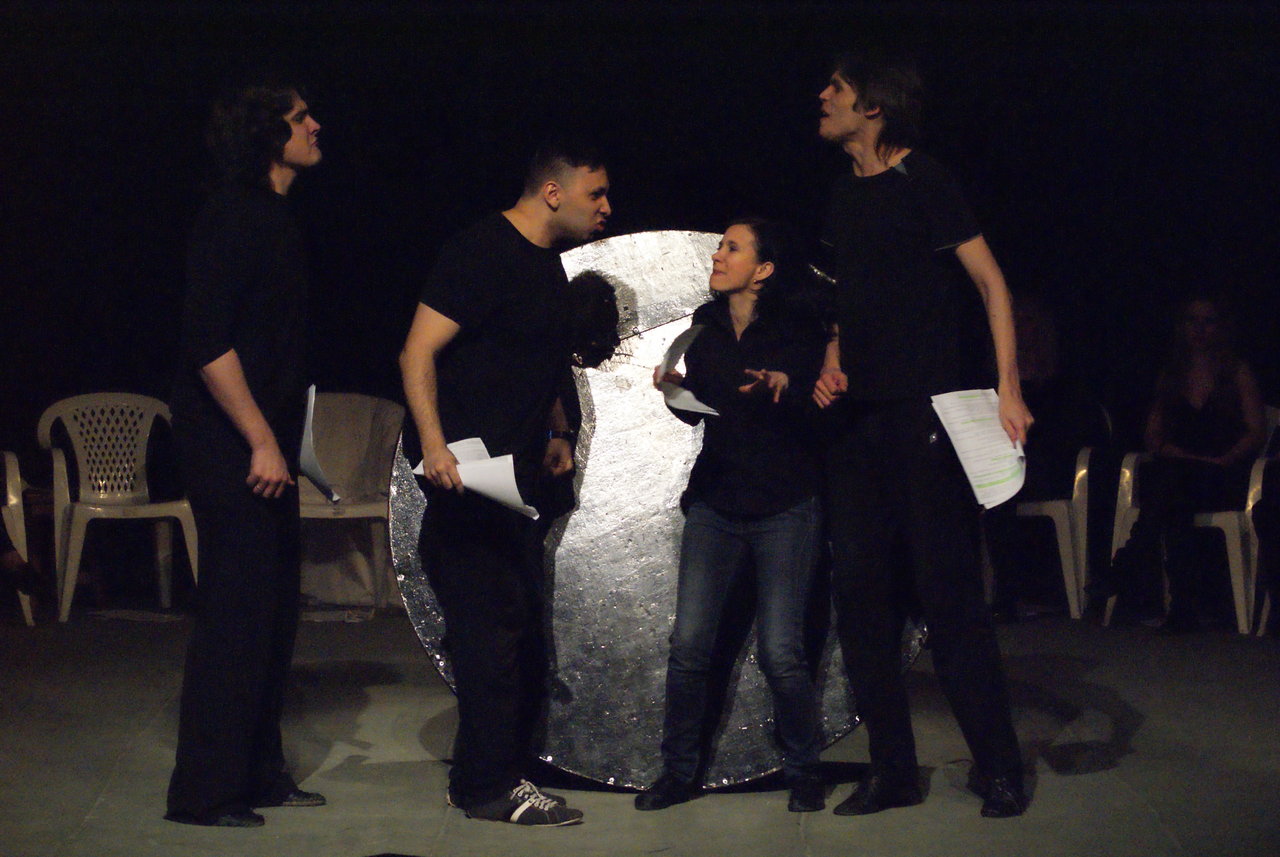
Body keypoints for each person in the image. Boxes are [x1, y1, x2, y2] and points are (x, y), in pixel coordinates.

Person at [811, 49, 1033, 818]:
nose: (823, 96)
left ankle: (1000, 765)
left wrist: (1009, 386)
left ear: (873, 106)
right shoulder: (842, 194)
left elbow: (991, 282)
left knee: (948, 594)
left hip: (924, 416)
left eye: (837, 88)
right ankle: (893, 769)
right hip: (857, 424)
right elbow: (850, 302)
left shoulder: (924, 180)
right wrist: (833, 357)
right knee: (861, 596)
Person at [399, 141, 613, 827]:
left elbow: (538, 360)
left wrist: (557, 430)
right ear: (553, 192)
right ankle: (486, 787)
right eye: (595, 194)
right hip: (467, 476)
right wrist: (434, 445)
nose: (606, 207)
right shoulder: (479, 251)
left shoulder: (546, 264)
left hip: (514, 483)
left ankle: (498, 770)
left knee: (512, 628)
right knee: (489, 634)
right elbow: (417, 350)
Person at [165, 81, 325, 828]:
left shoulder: (274, 217)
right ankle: (204, 792)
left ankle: (259, 772)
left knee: (272, 612)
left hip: (267, 446)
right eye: (300, 118)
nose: (315, 125)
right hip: (231, 446)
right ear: (268, 134)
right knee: (234, 616)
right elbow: (207, 342)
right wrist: (260, 439)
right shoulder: (232, 215)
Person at [634, 219, 829, 814]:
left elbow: (816, 404)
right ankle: (678, 773)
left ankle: (804, 769)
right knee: (689, 646)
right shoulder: (705, 324)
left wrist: (783, 383)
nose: (718, 255)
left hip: (783, 504)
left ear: (763, 269)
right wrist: (674, 391)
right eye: (720, 246)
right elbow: (700, 413)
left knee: (781, 652)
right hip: (716, 502)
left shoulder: (796, 326)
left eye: (732, 248)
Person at [1112, 296, 1266, 632]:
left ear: (1221, 327)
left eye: (1208, 321)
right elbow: (1153, 436)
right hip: (1182, 468)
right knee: (1173, 487)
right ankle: (1181, 604)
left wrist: (1224, 459)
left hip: (1223, 471)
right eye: (1192, 321)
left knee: (1170, 488)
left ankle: (1130, 564)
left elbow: (1256, 431)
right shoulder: (1172, 376)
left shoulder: (1236, 372)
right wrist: (1184, 456)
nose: (1199, 329)